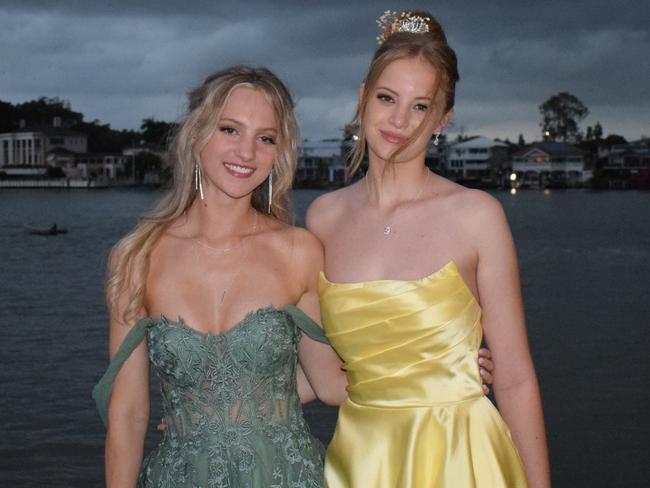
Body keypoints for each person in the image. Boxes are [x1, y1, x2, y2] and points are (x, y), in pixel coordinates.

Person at [307, 10, 550, 488]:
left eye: (421, 106)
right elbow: (326, 376)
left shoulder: (476, 215)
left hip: (464, 460)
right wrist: (217, 410)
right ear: (363, 97)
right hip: (362, 465)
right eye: (386, 98)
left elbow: (517, 379)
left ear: (443, 117)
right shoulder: (322, 219)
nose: (399, 120)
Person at [92, 65, 347, 487]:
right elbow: (128, 413)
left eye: (265, 138)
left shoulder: (299, 250)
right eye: (230, 129)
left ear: (279, 152)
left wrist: (440, 361)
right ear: (195, 134)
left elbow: (329, 383)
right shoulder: (135, 256)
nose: (247, 153)